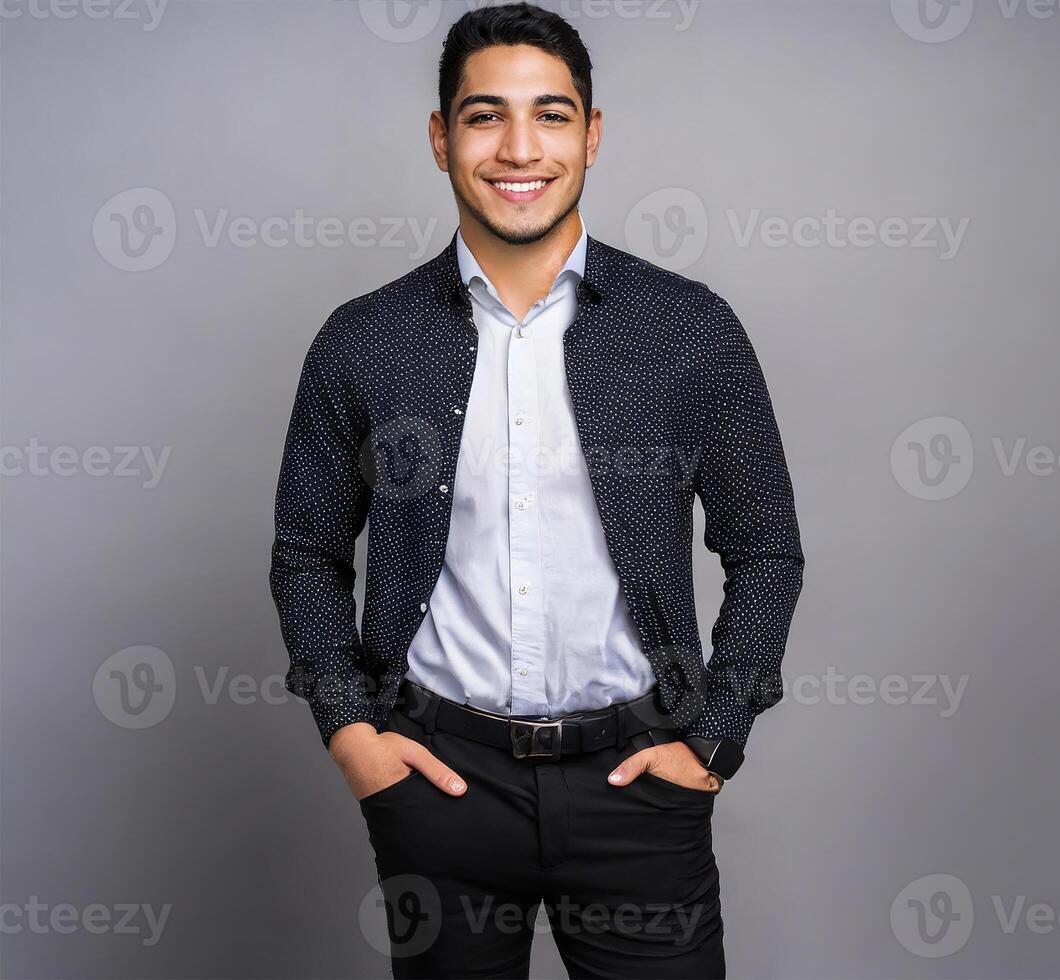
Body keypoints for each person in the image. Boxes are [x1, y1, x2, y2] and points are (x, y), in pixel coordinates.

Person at [267, 4, 805, 975]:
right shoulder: (363, 341)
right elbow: (307, 551)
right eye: (485, 116)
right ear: (441, 138)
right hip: (440, 782)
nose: (521, 147)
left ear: (592, 135)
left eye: (552, 115)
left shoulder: (690, 330)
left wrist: (714, 738)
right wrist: (352, 731)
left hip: (641, 782)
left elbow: (766, 546)